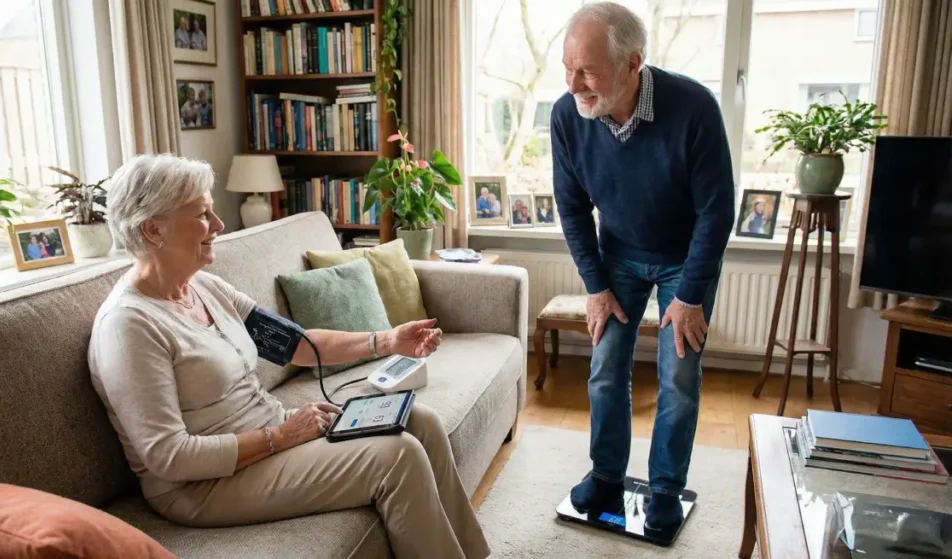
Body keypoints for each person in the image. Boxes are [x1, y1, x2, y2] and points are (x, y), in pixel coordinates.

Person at [87, 154, 490, 559]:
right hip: (203, 486)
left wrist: (387, 341)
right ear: (152, 230)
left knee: (420, 420)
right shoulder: (129, 326)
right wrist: (280, 437)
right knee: (397, 457)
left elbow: (297, 345)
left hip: (270, 437)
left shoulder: (204, 287)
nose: (219, 225)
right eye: (202, 214)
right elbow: (169, 457)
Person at [551, 3, 734, 531]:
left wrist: (692, 293)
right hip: (619, 258)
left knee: (679, 376)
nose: (574, 82)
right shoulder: (569, 115)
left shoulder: (694, 106)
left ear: (633, 65)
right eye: (567, 67)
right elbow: (571, 206)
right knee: (606, 368)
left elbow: (717, 210)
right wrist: (595, 286)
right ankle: (606, 474)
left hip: (685, 262)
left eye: (586, 69)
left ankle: (664, 489)